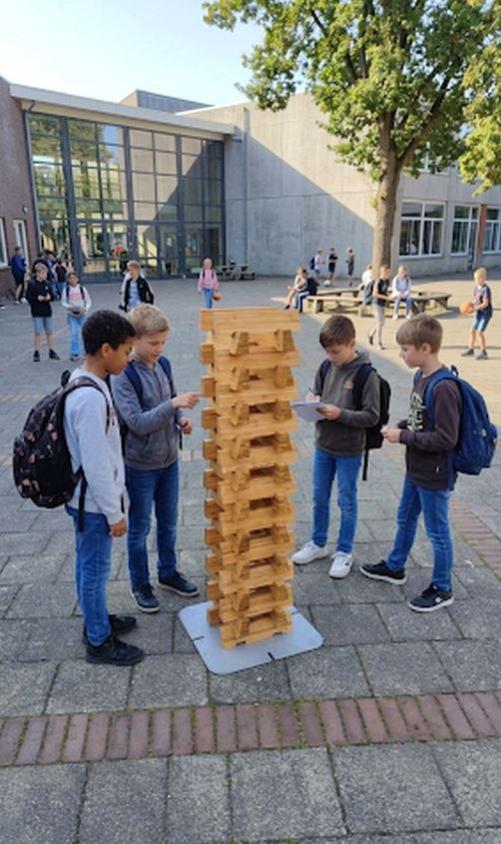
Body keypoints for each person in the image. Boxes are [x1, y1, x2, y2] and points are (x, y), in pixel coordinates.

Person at [361, 315, 461, 612]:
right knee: (405, 518)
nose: (401, 354)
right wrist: (404, 425)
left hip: (435, 473)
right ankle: (395, 566)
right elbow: (422, 420)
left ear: (426, 348)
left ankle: (443, 587)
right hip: (416, 468)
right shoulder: (420, 377)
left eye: (405, 349)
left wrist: (403, 436)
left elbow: (446, 438)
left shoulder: (444, 388)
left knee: (437, 531)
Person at [64, 309, 144, 665]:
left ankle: (95, 620)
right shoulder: (90, 398)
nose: (129, 359)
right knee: (95, 570)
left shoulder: (85, 381)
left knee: (87, 565)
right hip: (94, 505)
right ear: (107, 349)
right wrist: (115, 513)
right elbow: (96, 465)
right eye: (127, 351)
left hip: (85, 500)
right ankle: (99, 642)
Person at [111, 304, 200, 612]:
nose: (159, 349)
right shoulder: (123, 376)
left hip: (169, 460)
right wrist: (173, 405)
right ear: (134, 340)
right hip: (140, 465)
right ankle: (140, 583)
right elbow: (136, 422)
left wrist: (181, 418)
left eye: (163, 342)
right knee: (139, 528)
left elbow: (172, 406)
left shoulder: (164, 366)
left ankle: (168, 571)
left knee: (169, 523)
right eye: (153, 343)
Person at [292, 316, 380, 577]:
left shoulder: (366, 374)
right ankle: (318, 543)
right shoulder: (325, 366)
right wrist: (311, 399)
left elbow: (372, 416)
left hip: (349, 450)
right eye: (327, 351)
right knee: (319, 497)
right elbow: (315, 390)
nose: (330, 356)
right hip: (323, 445)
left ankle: (344, 552)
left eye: (335, 351)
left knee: (346, 500)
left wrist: (339, 414)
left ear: (352, 344)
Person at [26, 263, 60, 362]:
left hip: (47, 311)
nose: (45, 275)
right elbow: (29, 298)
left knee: (49, 332)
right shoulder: (32, 284)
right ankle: (36, 352)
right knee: (38, 332)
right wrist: (37, 298)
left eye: (46, 273)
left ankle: (51, 350)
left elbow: (53, 296)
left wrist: (50, 297)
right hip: (37, 312)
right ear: (38, 274)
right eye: (44, 273)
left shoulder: (47, 284)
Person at [461, 267, 492, 361]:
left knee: (480, 332)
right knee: (472, 330)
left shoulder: (486, 289)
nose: (477, 281)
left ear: (484, 279)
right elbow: (476, 300)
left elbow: (485, 303)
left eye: (479, 278)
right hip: (478, 313)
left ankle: (483, 351)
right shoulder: (476, 289)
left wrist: (474, 309)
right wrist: (470, 304)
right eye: (475, 279)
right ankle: (471, 349)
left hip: (485, 313)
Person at [61, 270, 92, 361]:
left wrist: (85, 309)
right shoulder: (66, 290)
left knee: (85, 333)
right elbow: (63, 302)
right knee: (74, 334)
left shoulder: (82, 289)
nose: (73, 280)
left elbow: (88, 300)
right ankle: (74, 353)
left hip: (82, 314)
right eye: (70, 278)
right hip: (72, 314)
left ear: (77, 279)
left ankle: (87, 352)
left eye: (74, 278)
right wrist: (70, 307)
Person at [368, 265, 391, 350]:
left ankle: (371, 334)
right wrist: (387, 298)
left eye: (388, 272)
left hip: (382, 304)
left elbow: (385, 292)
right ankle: (379, 343)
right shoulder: (379, 281)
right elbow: (375, 294)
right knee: (379, 323)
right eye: (386, 272)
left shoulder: (387, 281)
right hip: (376, 303)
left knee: (382, 322)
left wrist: (390, 296)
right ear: (382, 272)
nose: (388, 274)